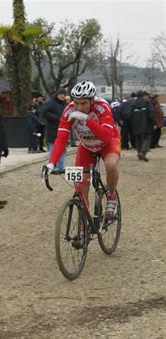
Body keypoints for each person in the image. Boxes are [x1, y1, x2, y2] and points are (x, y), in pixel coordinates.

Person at [45, 81, 121, 236]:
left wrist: (87, 119)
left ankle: (111, 196)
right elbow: (61, 138)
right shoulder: (68, 111)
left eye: (84, 103)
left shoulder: (102, 107)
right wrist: (51, 163)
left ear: (92, 100)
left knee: (111, 164)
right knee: (81, 186)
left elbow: (106, 137)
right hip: (86, 146)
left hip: (108, 143)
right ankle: (83, 224)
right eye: (76, 103)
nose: (79, 107)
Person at [42, 88, 68, 173]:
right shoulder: (50, 103)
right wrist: (56, 118)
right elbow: (44, 113)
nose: (62, 96)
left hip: (63, 130)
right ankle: (53, 166)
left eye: (64, 94)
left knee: (63, 150)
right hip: (52, 130)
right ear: (57, 94)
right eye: (61, 94)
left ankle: (61, 167)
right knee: (53, 149)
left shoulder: (65, 104)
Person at [131, 90, 156, 161]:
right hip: (146, 124)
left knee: (138, 138)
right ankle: (142, 152)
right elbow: (151, 114)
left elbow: (130, 114)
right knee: (147, 138)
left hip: (135, 124)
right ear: (143, 96)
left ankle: (139, 153)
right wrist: (153, 123)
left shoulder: (133, 104)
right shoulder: (147, 103)